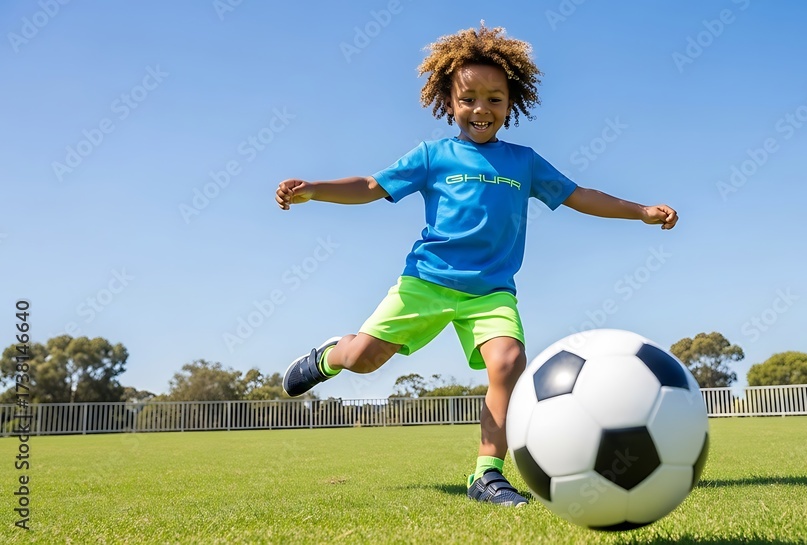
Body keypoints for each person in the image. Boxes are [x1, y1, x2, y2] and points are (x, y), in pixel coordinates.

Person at [275, 23, 678, 507]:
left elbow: (579, 195)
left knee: (508, 362)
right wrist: (315, 190)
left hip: (491, 292)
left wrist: (640, 211)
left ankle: (487, 474)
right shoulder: (432, 156)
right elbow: (369, 185)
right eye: (469, 99)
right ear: (449, 101)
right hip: (426, 281)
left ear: (512, 104)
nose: (481, 109)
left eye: (495, 99)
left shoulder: (523, 162)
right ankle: (326, 357)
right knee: (363, 360)